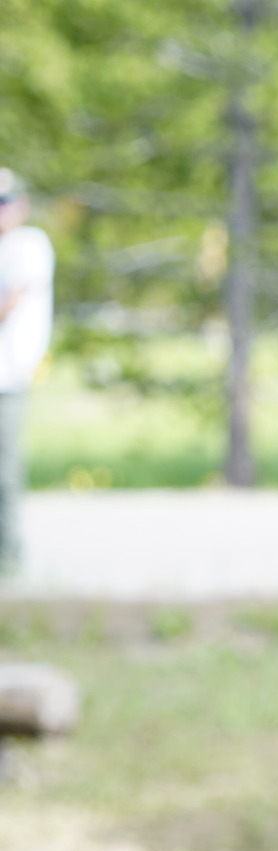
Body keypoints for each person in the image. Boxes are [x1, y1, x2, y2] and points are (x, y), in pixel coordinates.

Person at [0, 169, 55, 573]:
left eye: (4, 201)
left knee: (4, 472)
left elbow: (10, 302)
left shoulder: (29, 244)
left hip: (8, 377)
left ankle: (9, 561)